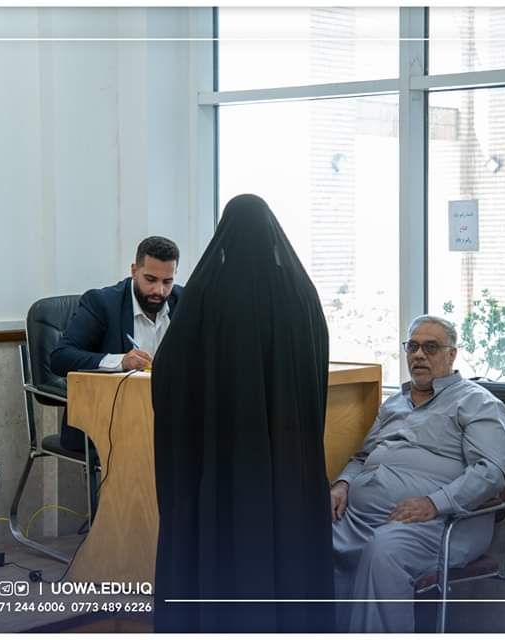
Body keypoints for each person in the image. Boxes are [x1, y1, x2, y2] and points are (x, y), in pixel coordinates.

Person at [151, 194, 334, 633]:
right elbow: (317, 370)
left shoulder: (208, 293)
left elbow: (169, 372)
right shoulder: (302, 293)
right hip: (288, 463)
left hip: (223, 464)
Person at [331, 315, 505, 633]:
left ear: (452, 354)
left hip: (442, 523)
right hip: (361, 516)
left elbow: (490, 472)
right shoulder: (394, 404)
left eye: (430, 347)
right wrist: (343, 483)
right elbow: (362, 457)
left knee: (385, 550)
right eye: (412, 346)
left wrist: (434, 503)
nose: (418, 355)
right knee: (302, 535)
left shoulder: (477, 402)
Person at [51, 235, 182, 452]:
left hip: (170, 418)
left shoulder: (183, 301)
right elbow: (60, 358)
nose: (159, 291)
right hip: (110, 420)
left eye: (167, 282)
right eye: (150, 280)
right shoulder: (102, 303)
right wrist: (121, 361)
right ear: (134, 271)